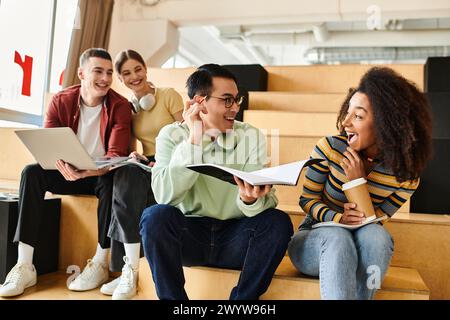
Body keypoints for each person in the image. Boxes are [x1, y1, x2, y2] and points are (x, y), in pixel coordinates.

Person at [139, 64, 293, 300]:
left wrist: (249, 200)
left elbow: (264, 201)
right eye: (227, 100)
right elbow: (164, 196)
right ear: (199, 102)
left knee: (278, 222)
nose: (236, 108)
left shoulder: (250, 136)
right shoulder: (171, 135)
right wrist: (194, 140)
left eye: (237, 100)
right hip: (189, 235)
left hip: (235, 238)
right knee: (154, 217)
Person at [288, 67, 432, 300]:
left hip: (363, 252)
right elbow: (307, 200)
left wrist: (357, 183)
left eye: (358, 115)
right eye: (348, 112)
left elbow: (371, 222)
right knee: (338, 237)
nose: (345, 122)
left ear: (387, 123)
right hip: (315, 241)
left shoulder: (405, 176)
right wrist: (338, 219)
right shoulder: (330, 148)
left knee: (376, 236)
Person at [0, 48, 132, 297]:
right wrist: (63, 165)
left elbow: (115, 157)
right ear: (81, 73)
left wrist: (88, 172)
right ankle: (25, 265)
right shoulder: (61, 101)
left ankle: (100, 261)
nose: (105, 78)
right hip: (66, 171)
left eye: (109, 73)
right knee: (31, 173)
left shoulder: (120, 106)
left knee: (111, 181)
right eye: (98, 71)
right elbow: (47, 144)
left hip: (98, 175)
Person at [98, 50, 183, 300]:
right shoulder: (127, 108)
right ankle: (130, 270)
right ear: (121, 80)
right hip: (148, 163)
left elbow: (187, 135)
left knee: (124, 189)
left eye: (137, 69)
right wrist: (134, 156)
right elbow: (133, 146)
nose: (134, 76)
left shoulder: (168, 95)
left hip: (172, 161)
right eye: (126, 73)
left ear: (146, 69)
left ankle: (129, 270)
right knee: (123, 174)